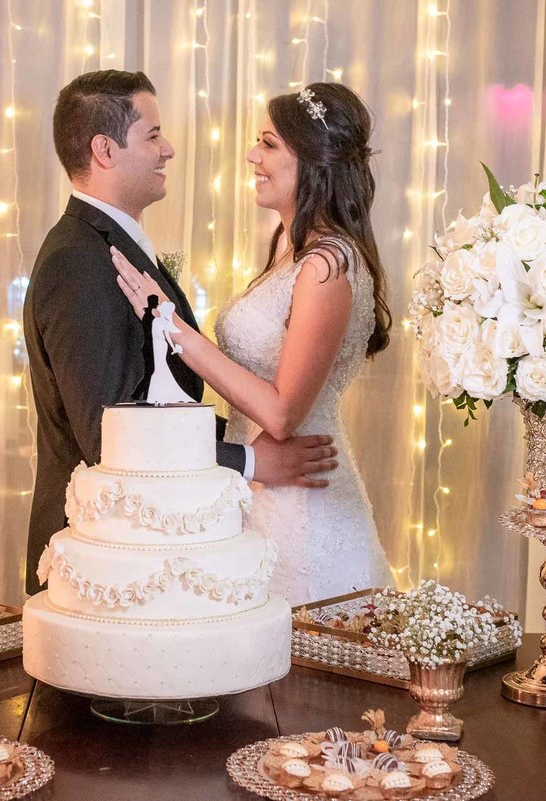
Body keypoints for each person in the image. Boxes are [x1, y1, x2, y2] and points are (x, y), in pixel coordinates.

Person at [23, 70, 340, 596]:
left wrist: (239, 444)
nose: (168, 149)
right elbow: (110, 436)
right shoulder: (78, 262)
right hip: (105, 572)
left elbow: (154, 403)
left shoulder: (110, 247)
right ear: (105, 149)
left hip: (153, 553)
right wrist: (252, 460)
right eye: (153, 135)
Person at [111, 83, 394, 603]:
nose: (252, 156)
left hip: (302, 510)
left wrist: (174, 330)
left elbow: (283, 414)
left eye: (268, 144)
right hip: (261, 492)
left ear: (311, 161)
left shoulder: (328, 266)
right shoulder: (293, 251)